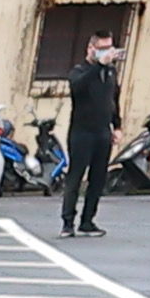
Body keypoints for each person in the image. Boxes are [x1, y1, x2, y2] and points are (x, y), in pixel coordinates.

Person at [57, 34, 125, 232]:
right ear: (91, 49)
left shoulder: (110, 72)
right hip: (81, 132)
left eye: (109, 48)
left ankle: (88, 221)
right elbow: (78, 88)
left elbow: (114, 101)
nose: (107, 52)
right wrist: (98, 66)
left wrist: (117, 126)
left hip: (102, 132)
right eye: (102, 48)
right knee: (76, 176)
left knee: (98, 179)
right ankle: (68, 221)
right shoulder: (80, 71)